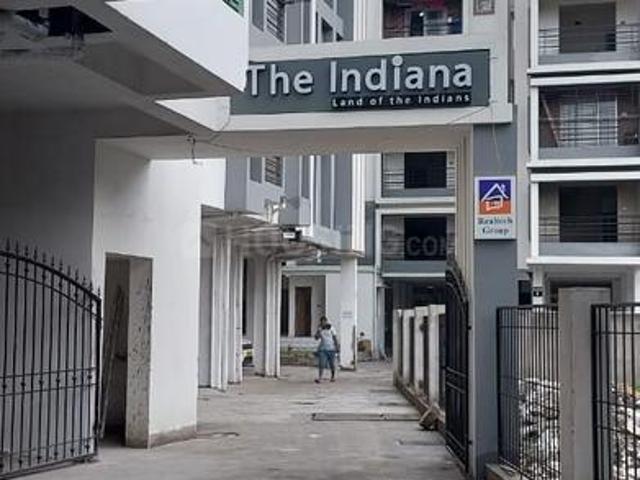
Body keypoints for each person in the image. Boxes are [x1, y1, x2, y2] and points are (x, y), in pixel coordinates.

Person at [314, 316, 339, 383]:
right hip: (323, 349)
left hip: (331, 349)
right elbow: (316, 338)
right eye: (322, 322)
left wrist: (337, 347)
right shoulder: (320, 329)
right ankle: (320, 377)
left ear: (326, 321)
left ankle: (333, 376)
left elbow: (335, 338)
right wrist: (318, 331)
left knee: (332, 364)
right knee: (321, 363)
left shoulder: (331, 328)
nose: (323, 323)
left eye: (324, 322)